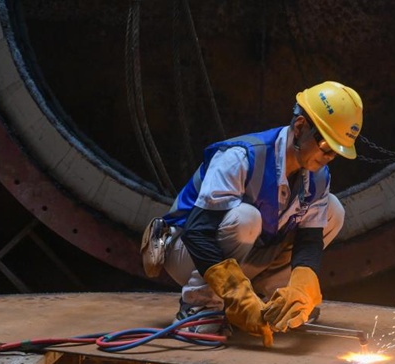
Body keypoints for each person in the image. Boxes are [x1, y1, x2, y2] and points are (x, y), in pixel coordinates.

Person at [154, 81, 363, 347]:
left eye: (336, 152)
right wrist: (237, 295)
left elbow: (309, 240)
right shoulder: (241, 157)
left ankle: (277, 301)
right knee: (246, 218)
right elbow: (197, 233)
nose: (329, 156)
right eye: (325, 145)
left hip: (245, 257)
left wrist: (301, 289)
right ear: (300, 127)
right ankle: (200, 306)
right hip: (187, 252)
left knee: (334, 210)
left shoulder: (318, 176)